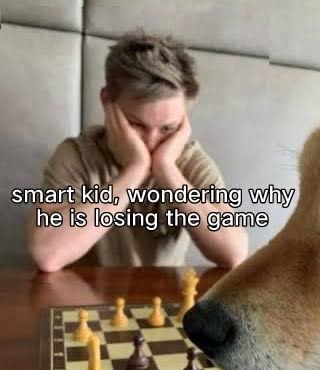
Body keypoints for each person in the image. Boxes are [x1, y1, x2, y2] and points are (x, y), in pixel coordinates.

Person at [28, 31, 248, 272]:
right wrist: (135, 170)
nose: (151, 143)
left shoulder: (190, 161)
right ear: (107, 102)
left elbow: (234, 253)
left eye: (167, 128)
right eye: (136, 124)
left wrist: (166, 170)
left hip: (162, 294)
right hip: (84, 295)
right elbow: (47, 254)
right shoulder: (77, 156)